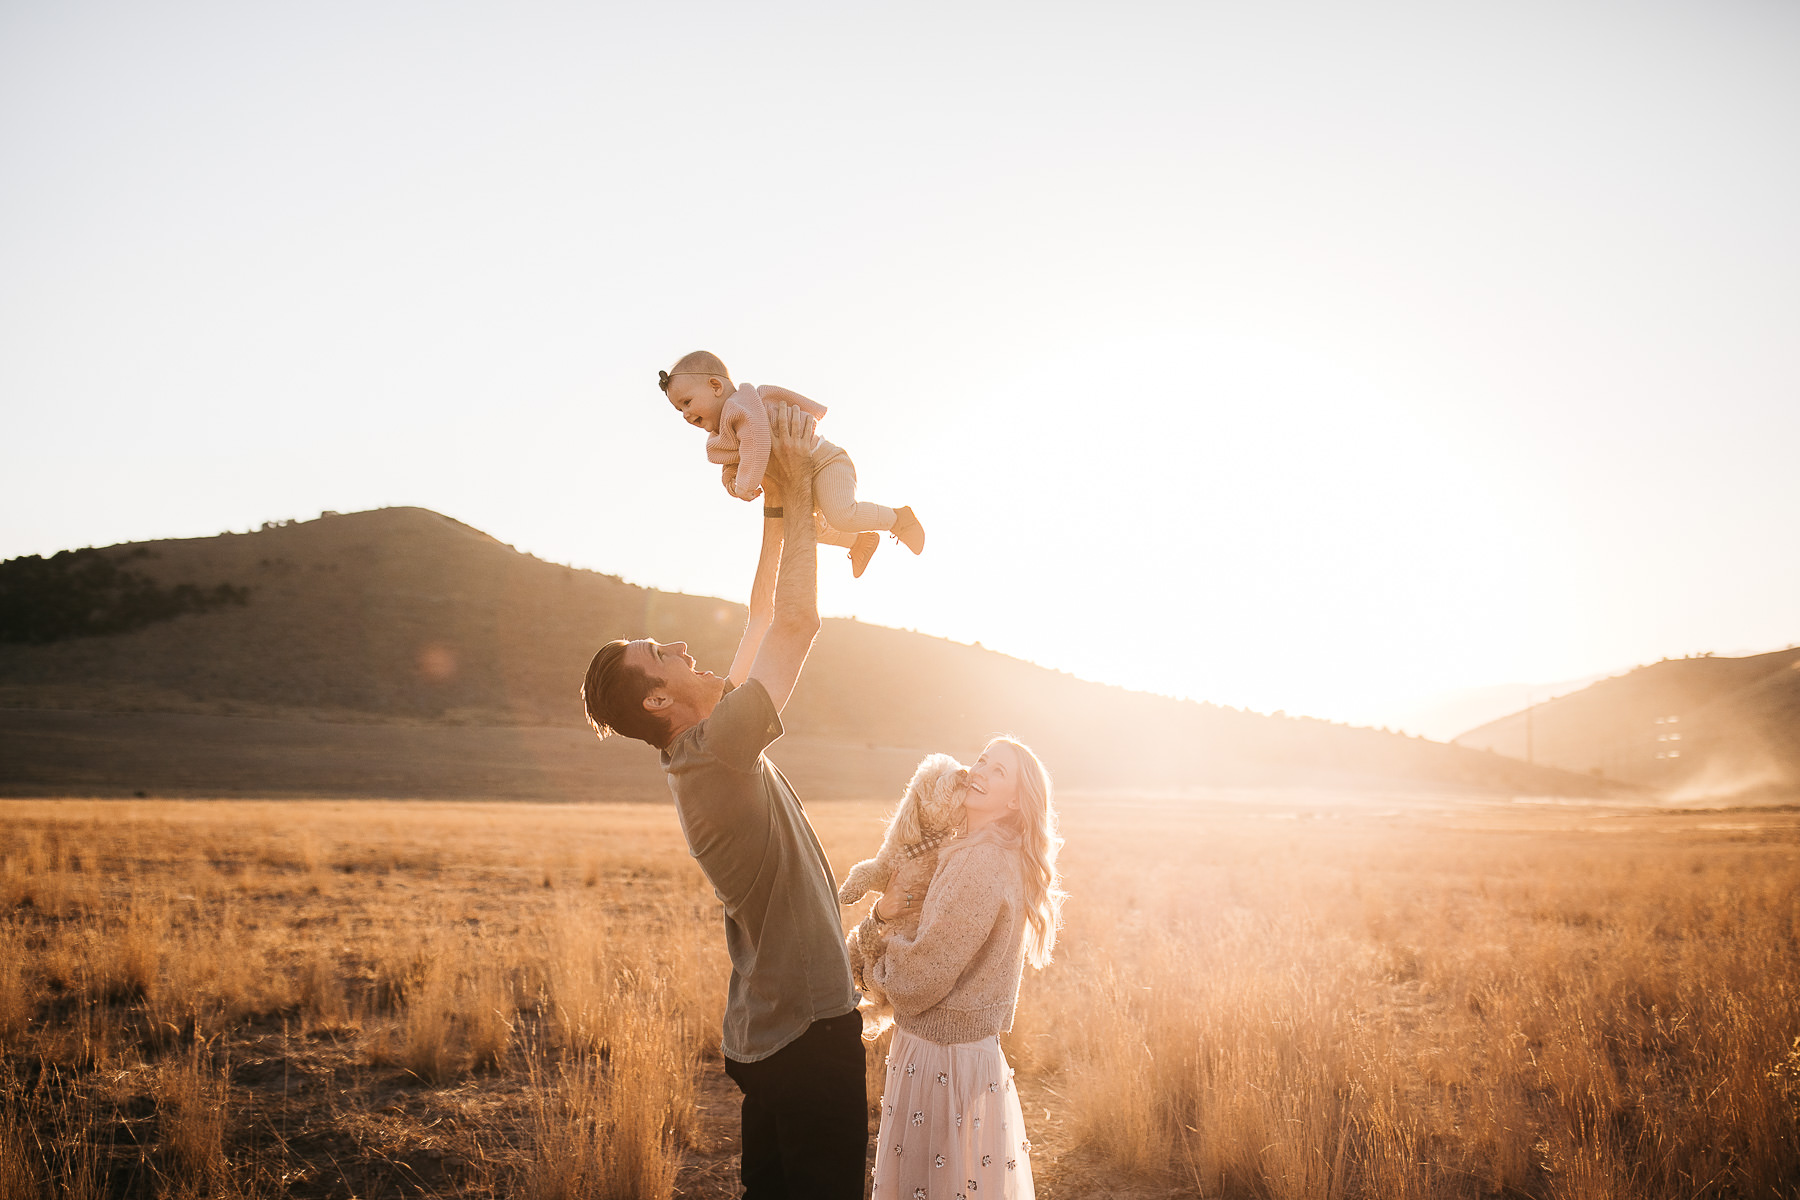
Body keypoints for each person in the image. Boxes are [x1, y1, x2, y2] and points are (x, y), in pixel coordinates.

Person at [581, 403, 865, 1199]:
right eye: (661, 654)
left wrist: (775, 506)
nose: (680, 645)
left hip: (767, 1033)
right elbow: (797, 625)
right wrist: (803, 482)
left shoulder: (705, 747)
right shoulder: (715, 754)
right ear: (658, 702)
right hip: (807, 1032)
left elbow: (763, 616)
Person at [853, 737, 1066, 1199]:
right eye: (982, 760)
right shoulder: (985, 852)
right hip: (959, 1055)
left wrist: (873, 949)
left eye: (998, 771)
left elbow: (921, 976)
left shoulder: (979, 860)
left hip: (941, 1059)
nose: (979, 771)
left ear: (1015, 801)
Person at [659, 349, 925, 578]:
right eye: (679, 409)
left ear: (716, 386)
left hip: (824, 462)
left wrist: (745, 484)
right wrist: (731, 481)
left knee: (841, 515)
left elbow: (756, 443)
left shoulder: (741, 408)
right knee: (798, 529)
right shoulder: (724, 431)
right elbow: (733, 460)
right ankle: (859, 542)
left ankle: (898, 518)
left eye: (687, 402)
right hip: (800, 479)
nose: (685, 414)